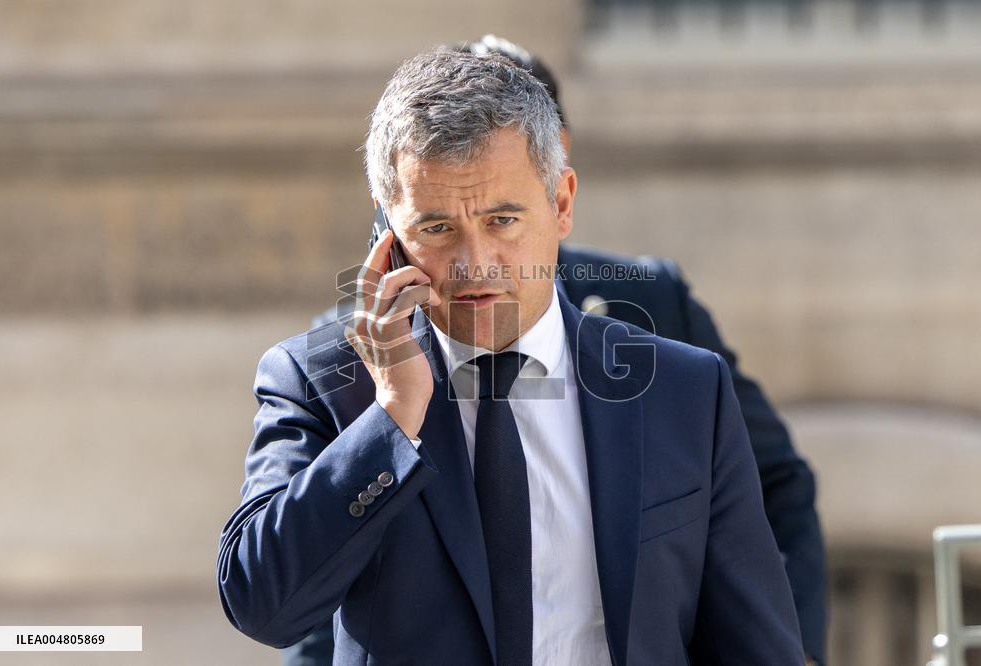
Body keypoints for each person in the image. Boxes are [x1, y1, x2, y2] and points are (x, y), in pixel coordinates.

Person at [219, 46, 806, 664]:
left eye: (502, 220)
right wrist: (392, 417)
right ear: (387, 235)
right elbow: (263, 607)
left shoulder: (685, 392)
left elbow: (756, 648)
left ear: (561, 204)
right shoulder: (319, 380)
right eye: (438, 228)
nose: (476, 263)